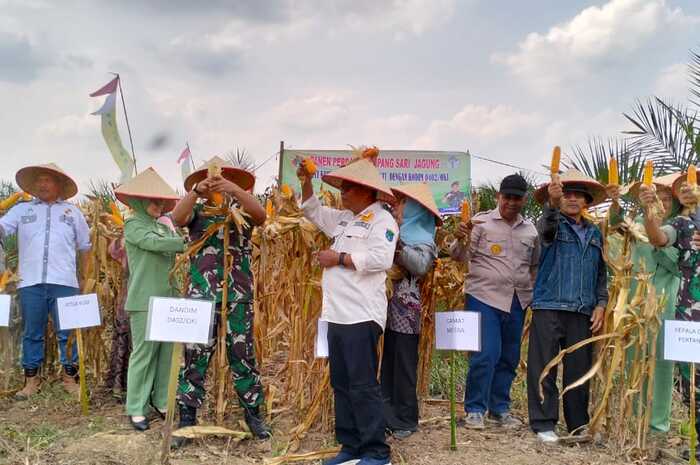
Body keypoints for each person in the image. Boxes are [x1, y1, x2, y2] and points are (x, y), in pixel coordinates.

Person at [298, 150, 398, 465]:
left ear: (367, 191)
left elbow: (382, 259)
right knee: (341, 383)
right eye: (341, 187)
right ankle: (350, 445)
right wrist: (306, 182)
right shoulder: (344, 219)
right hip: (336, 315)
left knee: (363, 385)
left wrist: (338, 258)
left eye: (348, 188)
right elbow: (312, 211)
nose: (342, 192)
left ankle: (375, 451)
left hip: (361, 315)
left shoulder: (383, 220)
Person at [172, 156, 270, 443]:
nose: (217, 183)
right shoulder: (197, 211)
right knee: (195, 358)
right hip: (201, 297)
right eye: (213, 179)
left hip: (238, 296)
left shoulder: (242, 211)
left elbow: (262, 216)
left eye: (224, 180)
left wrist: (235, 191)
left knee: (243, 357)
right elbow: (177, 218)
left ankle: (253, 415)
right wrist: (195, 192)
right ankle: (187, 419)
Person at [450, 174, 539, 429]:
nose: (511, 202)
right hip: (484, 297)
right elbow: (459, 256)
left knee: (509, 357)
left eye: (517, 198)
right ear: (499, 196)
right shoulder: (479, 223)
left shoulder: (530, 230)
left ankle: (499, 409)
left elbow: (534, 266)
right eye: (507, 197)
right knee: (485, 354)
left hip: (517, 300)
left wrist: (530, 292)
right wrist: (460, 237)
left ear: (524, 200)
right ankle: (475, 409)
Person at [527, 169, 608, 443]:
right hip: (549, 304)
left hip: (583, 310)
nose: (572, 199)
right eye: (567, 194)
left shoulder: (596, 233)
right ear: (559, 198)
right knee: (544, 367)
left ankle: (578, 425)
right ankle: (543, 423)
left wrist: (601, 303)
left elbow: (601, 274)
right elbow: (547, 226)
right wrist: (551, 204)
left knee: (579, 370)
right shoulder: (550, 225)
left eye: (578, 196)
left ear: (586, 202)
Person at [0, 163, 91, 399]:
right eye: (39, 180)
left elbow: (85, 247)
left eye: (47, 180)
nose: (42, 184)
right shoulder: (21, 211)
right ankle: (32, 381)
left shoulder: (73, 213)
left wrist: (85, 278)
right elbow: (2, 229)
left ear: (59, 184)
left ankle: (70, 378)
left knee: (67, 333)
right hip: (30, 281)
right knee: (32, 332)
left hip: (65, 281)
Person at [116, 168, 186, 431]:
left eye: (161, 202)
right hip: (145, 300)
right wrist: (183, 243)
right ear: (138, 202)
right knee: (144, 354)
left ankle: (161, 400)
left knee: (167, 353)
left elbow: (171, 244)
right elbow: (154, 244)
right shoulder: (133, 225)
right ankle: (136, 406)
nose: (158, 206)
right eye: (153, 201)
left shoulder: (163, 227)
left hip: (169, 298)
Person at [638, 173, 700, 461]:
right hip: (689, 314)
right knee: (692, 381)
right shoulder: (682, 224)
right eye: (687, 186)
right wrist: (650, 212)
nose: (691, 189)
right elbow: (657, 238)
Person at [381, 183, 439, 439]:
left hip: (406, 313)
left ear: (415, 208)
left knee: (404, 364)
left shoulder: (423, 240)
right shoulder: (392, 231)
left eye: (402, 202)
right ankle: (386, 415)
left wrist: (397, 247)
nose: (396, 206)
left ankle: (406, 419)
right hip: (384, 309)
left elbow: (421, 266)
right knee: (388, 363)